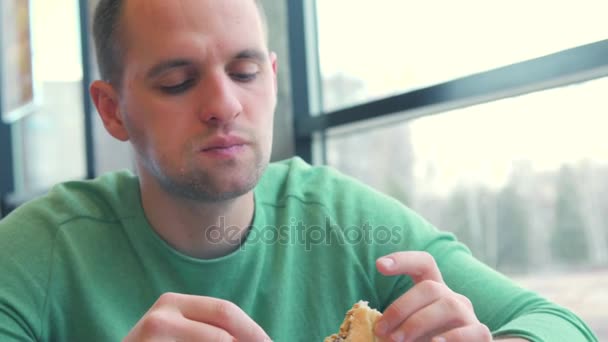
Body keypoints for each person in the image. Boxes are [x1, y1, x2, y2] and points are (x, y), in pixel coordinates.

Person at [0, 0, 598, 341]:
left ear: (276, 79)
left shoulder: (336, 216)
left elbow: (560, 324)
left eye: (246, 71)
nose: (226, 105)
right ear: (112, 110)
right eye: (178, 81)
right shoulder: (41, 251)